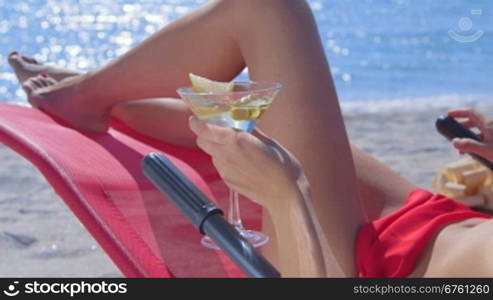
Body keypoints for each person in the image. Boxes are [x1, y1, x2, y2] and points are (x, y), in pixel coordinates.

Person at [7, 0, 493, 277]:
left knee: (267, 10)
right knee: (257, 114)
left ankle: (86, 92)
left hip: (351, 266)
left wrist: (288, 200)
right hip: (424, 219)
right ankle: (94, 94)